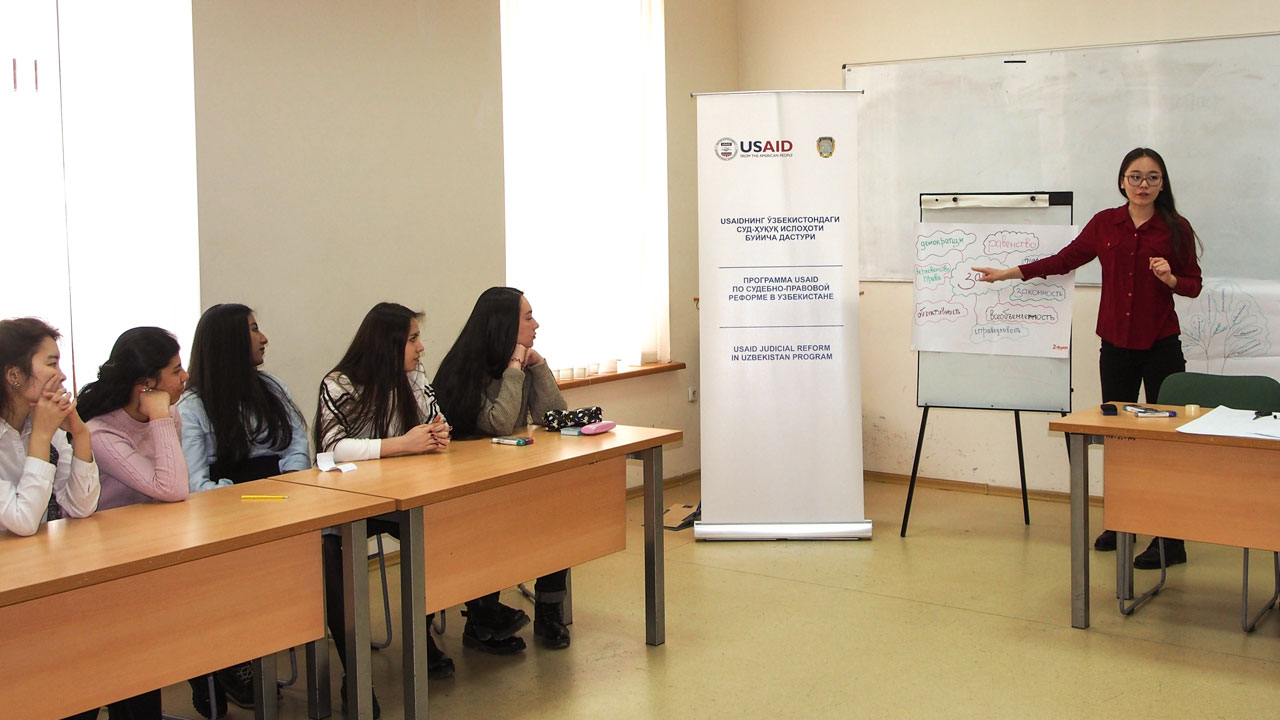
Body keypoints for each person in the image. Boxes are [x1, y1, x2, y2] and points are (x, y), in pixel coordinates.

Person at [973, 147, 1202, 569]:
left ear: (1163, 184)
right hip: (1115, 345)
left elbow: (1193, 285)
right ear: (1121, 182)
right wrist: (1009, 273)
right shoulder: (1105, 224)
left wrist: (1171, 278)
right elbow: (1065, 260)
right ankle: (1122, 522)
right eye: (1135, 177)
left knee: (1167, 442)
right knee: (1119, 439)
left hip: (1160, 346)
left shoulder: (1175, 228)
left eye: (1152, 178)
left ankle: (1171, 540)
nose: (1143, 185)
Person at [314, 302, 455, 717]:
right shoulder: (338, 384)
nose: (421, 347)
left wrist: (437, 432)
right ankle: (354, 674)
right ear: (387, 344)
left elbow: (432, 421)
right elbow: (330, 449)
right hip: (349, 504)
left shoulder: (413, 375)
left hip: (404, 497)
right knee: (331, 559)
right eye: (413, 339)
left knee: (447, 530)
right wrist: (402, 445)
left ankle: (421, 637)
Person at [177, 304, 310, 716]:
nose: (264, 337)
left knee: (323, 556)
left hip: (278, 501)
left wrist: (289, 488)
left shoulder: (271, 386)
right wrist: (255, 497)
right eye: (254, 329)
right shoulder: (193, 406)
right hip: (225, 516)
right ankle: (218, 666)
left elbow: (296, 447)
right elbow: (195, 484)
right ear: (231, 343)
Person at [433, 287, 572, 650]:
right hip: (463, 491)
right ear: (503, 327)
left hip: (507, 477)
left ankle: (549, 611)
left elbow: (552, 416)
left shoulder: (522, 363)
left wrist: (538, 366)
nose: (536, 325)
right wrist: (514, 369)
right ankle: (482, 616)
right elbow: (499, 422)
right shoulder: (466, 369)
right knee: (491, 524)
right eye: (528, 318)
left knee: (554, 512)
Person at [68, 327, 189, 720]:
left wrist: (162, 415)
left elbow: (171, 488)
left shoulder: (167, 414)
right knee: (120, 652)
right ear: (146, 384)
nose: (185, 376)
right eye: (175, 369)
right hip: (98, 562)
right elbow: (169, 486)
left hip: (146, 549)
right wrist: (160, 416)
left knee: (144, 649)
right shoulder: (103, 431)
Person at [0, 318, 99, 537]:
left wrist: (80, 434)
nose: (61, 375)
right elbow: (23, 522)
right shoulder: (43, 427)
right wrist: (41, 436)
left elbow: (81, 506)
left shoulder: (43, 421)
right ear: (13, 375)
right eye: (52, 364)